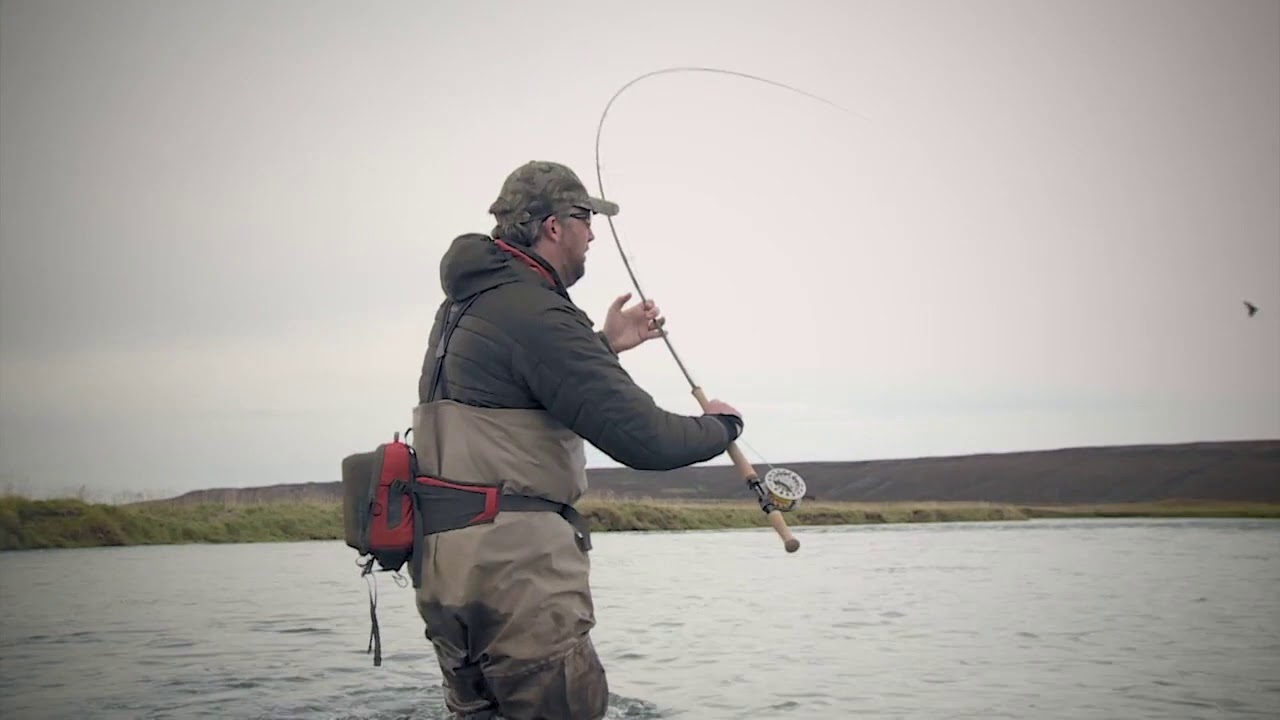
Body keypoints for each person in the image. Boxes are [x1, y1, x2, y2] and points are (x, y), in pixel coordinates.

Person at [409, 160, 744, 719]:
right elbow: (648, 441)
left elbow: (515, 395)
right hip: (514, 575)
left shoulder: (467, 303)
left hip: (448, 574)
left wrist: (603, 345)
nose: (594, 233)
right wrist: (723, 426)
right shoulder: (535, 311)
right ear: (553, 226)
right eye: (586, 218)